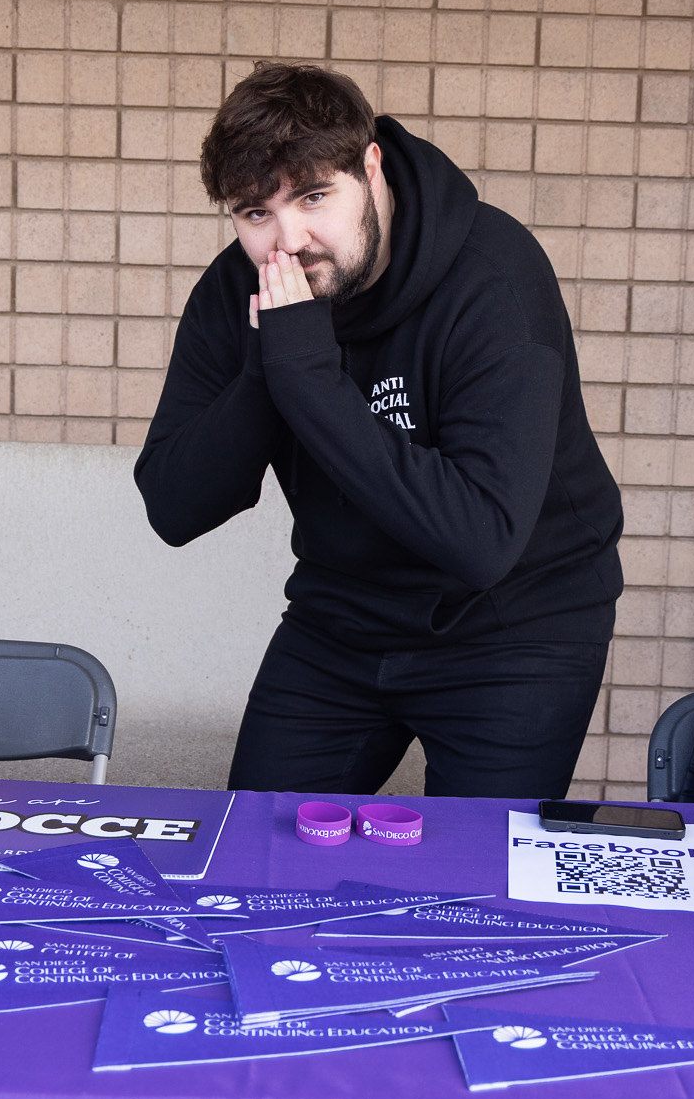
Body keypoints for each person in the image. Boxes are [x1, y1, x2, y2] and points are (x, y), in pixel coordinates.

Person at [133, 63, 624, 800]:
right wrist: (270, 373)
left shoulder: (494, 278)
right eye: (254, 213)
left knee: (473, 890)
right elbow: (173, 507)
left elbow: (482, 538)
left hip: (516, 624)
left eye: (313, 196)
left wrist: (308, 377)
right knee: (260, 852)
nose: (287, 240)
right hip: (341, 617)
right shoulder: (242, 291)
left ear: (372, 168)